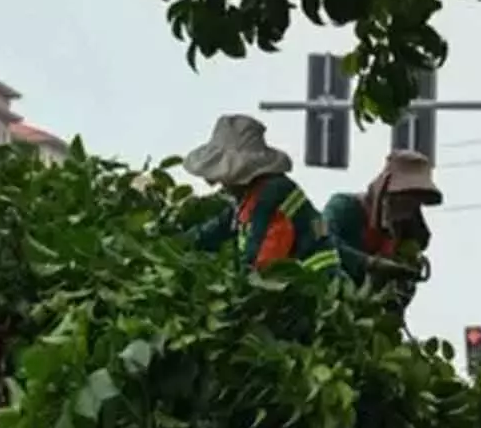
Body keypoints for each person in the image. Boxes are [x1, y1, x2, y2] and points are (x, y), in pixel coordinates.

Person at [181, 114, 338, 273]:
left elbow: (257, 259)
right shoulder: (248, 197)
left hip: (315, 280)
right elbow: (217, 228)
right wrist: (177, 242)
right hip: (297, 280)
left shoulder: (272, 193)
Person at [322, 150, 442, 300]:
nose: (406, 207)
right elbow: (320, 240)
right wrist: (369, 263)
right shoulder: (342, 207)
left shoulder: (405, 234)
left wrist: (405, 276)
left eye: (414, 201)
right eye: (402, 197)